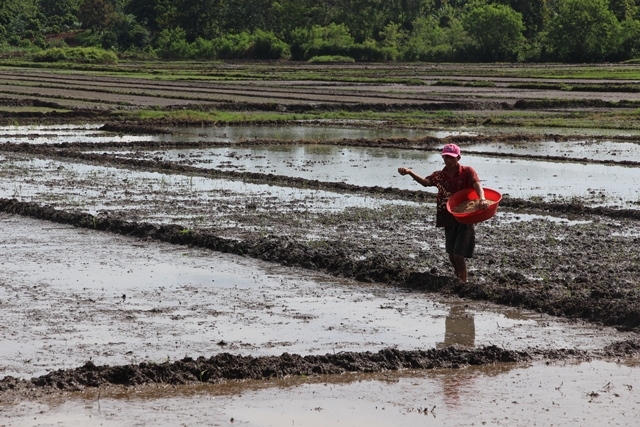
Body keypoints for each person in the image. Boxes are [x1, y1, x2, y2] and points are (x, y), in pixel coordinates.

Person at [398, 143, 488, 282]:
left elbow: (477, 185)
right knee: (451, 254)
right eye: (445, 157)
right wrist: (410, 172)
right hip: (447, 217)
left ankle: (463, 283)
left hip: (464, 218)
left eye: (451, 157)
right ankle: (458, 278)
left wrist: (482, 199)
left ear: (458, 157)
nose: (448, 160)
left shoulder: (467, 172)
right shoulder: (440, 176)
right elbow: (426, 182)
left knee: (458, 255)